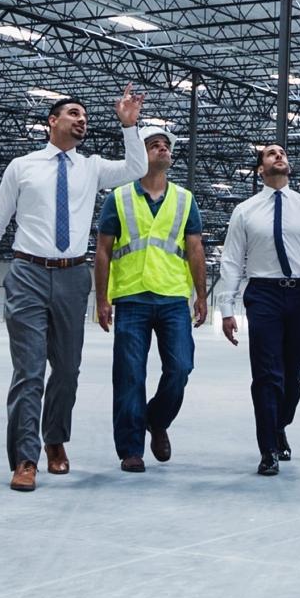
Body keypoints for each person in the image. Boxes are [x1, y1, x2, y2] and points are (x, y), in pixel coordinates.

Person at [0, 87, 148, 493]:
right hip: (27, 273)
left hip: (73, 276)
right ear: (51, 122)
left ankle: (55, 437)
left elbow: (135, 168)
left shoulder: (91, 167)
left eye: (86, 116)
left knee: (68, 369)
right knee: (29, 372)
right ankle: (26, 458)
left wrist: (129, 126)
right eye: (73, 113)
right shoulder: (22, 167)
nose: (82, 120)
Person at [212, 144, 300, 477]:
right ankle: (268, 449)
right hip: (263, 295)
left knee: (293, 374)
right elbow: (231, 260)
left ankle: (279, 423)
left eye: (282, 153)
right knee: (266, 374)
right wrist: (226, 307)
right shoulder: (245, 211)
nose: (278, 156)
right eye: (271, 154)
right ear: (261, 169)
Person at [91, 127, 206, 474]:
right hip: (131, 297)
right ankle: (130, 449)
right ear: (140, 155)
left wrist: (202, 296)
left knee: (181, 367)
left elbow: (196, 249)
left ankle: (156, 420)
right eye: (154, 144)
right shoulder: (119, 197)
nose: (162, 148)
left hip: (172, 297)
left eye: (166, 146)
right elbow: (103, 251)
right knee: (129, 374)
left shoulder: (185, 200)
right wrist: (101, 299)